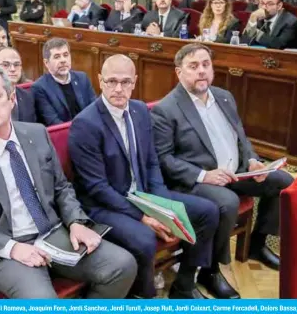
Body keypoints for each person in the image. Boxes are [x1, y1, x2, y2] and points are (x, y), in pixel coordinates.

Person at [0, 64, 138, 299]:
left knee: (123, 265)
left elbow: (61, 187)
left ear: (11, 99)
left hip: (53, 232)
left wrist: (76, 221)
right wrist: (13, 248)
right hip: (4, 246)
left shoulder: (37, 134)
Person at [69, 54, 218, 299]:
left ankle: (184, 283)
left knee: (208, 212)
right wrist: (144, 217)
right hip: (104, 206)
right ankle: (143, 296)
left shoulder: (139, 110)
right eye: (111, 81)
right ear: (100, 81)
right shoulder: (85, 124)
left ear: (135, 82)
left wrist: (162, 207)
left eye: (125, 82)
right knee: (145, 238)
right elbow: (97, 188)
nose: (118, 89)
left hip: (143, 196)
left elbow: (151, 164)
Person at [151, 44, 292, 288]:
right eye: (193, 66)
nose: (202, 71)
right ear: (179, 72)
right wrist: (204, 175)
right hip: (197, 181)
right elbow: (164, 160)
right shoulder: (166, 109)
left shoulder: (224, 96)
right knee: (227, 202)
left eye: (206, 65)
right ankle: (211, 270)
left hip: (236, 172)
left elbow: (241, 137)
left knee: (283, 182)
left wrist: (251, 159)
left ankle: (257, 244)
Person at [31, 38, 96, 126]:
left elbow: (95, 109)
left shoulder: (82, 78)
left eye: (66, 55)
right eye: (57, 57)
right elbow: (54, 122)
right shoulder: (40, 88)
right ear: (46, 63)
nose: (63, 60)